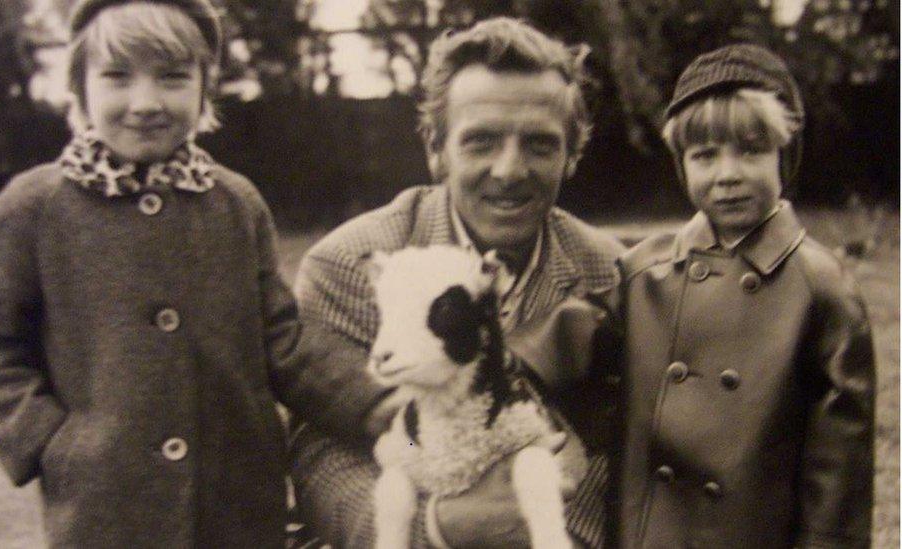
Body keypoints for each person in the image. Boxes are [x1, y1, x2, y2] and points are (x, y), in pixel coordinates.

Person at [0, 1, 347, 546]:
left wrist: (377, 407)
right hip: (104, 513)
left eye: (172, 78)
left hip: (239, 507)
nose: (145, 102)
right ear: (80, 87)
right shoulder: (34, 207)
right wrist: (51, 442)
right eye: (116, 77)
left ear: (204, 88)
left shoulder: (236, 203)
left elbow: (284, 342)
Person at [290, 17, 626, 548]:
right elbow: (321, 456)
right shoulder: (350, 265)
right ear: (435, 149)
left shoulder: (611, 274)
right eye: (481, 142)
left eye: (540, 144)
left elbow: (618, 446)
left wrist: (555, 529)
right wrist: (440, 528)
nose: (510, 170)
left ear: (573, 155)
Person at [617, 44, 875, 548]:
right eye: (705, 155)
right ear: (681, 165)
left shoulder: (821, 288)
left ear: (786, 155)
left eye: (751, 150)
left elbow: (838, 477)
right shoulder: (641, 274)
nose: (727, 173)